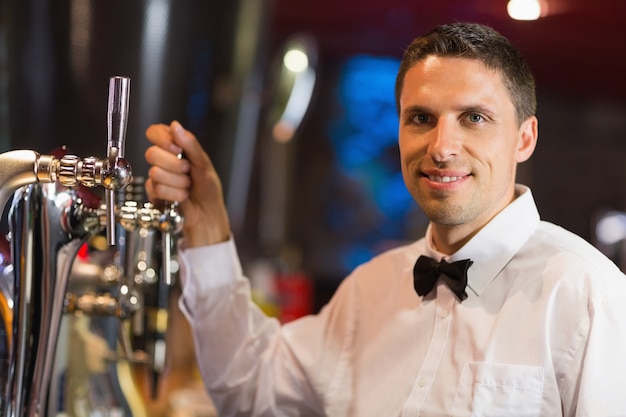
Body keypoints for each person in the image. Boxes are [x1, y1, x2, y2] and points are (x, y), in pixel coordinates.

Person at [144, 22, 626, 416]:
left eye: (474, 118)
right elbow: (249, 386)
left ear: (524, 138)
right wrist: (208, 231)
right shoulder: (368, 289)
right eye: (421, 118)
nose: (441, 147)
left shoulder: (588, 294)